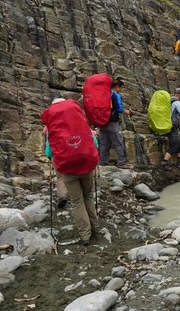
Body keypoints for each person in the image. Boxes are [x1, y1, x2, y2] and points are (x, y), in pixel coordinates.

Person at [41, 98, 99, 245]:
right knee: (88, 196)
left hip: (68, 170)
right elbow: (95, 143)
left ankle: (85, 236)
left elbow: (49, 153)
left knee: (77, 201)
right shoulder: (80, 124)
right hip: (86, 165)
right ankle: (95, 228)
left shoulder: (53, 129)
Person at [98, 77, 132, 167]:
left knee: (104, 143)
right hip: (113, 122)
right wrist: (127, 112)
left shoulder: (103, 94)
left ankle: (102, 162)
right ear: (117, 86)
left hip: (102, 122)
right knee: (118, 142)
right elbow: (119, 108)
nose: (120, 90)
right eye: (120, 88)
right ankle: (121, 162)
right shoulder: (115, 94)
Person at [43, 125, 68, 208]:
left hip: (56, 156)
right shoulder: (69, 124)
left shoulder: (52, 127)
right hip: (70, 153)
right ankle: (76, 194)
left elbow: (49, 144)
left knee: (60, 177)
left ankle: (62, 196)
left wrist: (49, 155)